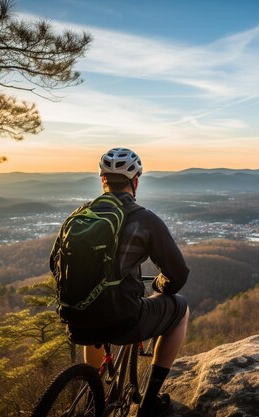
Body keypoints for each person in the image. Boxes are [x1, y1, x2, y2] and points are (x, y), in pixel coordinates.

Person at [50, 148, 190, 417]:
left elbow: (53, 264)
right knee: (181, 309)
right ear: (135, 181)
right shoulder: (144, 219)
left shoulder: (78, 216)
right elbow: (178, 275)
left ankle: (94, 396)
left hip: (76, 321)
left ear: (103, 179)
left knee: (92, 311)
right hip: (123, 321)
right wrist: (161, 286)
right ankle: (149, 403)